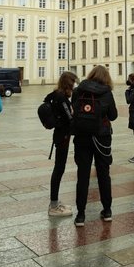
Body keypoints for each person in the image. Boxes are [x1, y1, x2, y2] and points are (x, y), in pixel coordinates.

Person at [71, 65, 118, 226]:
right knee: (104, 174)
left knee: (82, 176)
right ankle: (107, 211)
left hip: (82, 137)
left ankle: (81, 215)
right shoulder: (106, 92)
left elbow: (74, 111)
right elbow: (114, 115)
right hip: (102, 138)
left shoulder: (79, 90)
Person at [44, 71, 78, 217]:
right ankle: (53, 205)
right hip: (62, 136)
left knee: (59, 168)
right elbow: (70, 117)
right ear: (68, 83)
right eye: (73, 83)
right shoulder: (61, 97)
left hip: (62, 135)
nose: (75, 85)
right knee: (59, 169)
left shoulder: (56, 95)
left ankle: (55, 201)